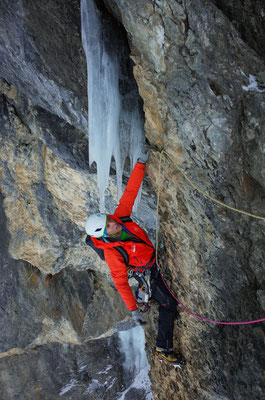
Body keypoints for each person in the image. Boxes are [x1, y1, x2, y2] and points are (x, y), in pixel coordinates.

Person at [85, 145, 184, 366]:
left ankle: (159, 336)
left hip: (152, 260)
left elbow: (130, 192)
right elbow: (120, 282)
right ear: (103, 235)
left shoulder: (121, 217)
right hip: (148, 271)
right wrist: (132, 310)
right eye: (108, 225)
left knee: (166, 301)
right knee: (168, 304)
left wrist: (140, 163)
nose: (112, 222)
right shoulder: (112, 253)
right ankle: (162, 349)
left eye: (108, 219)